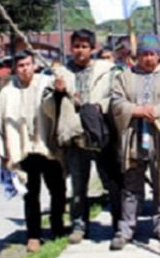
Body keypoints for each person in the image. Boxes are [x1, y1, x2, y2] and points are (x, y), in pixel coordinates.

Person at [43, 29, 122, 244]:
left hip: (101, 134)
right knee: (78, 185)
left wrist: (98, 106)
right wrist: (58, 93)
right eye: (76, 46)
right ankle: (79, 225)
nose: (80, 50)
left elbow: (117, 96)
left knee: (112, 182)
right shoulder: (60, 74)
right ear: (71, 48)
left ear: (93, 48)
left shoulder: (107, 71)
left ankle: (119, 224)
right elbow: (47, 107)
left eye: (84, 46)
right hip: (74, 136)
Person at [109, 34, 160, 250]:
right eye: (144, 54)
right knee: (131, 186)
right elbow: (116, 103)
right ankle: (127, 228)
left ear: (159, 55)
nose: (148, 59)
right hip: (134, 139)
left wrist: (155, 111)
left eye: (152, 54)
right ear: (138, 55)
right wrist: (137, 110)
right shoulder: (125, 76)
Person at [0, 50, 66, 253]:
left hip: (48, 146)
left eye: (28, 64)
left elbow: (59, 105)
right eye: (20, 66)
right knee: (31, 195)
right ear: (15, 69)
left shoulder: (46, 82)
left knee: (58, 190)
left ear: (35, 65)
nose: (24, 69)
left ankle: (57, 227)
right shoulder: (7, 92)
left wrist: (60, 91)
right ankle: (34, 235)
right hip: (23, 151)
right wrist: (3, 154)